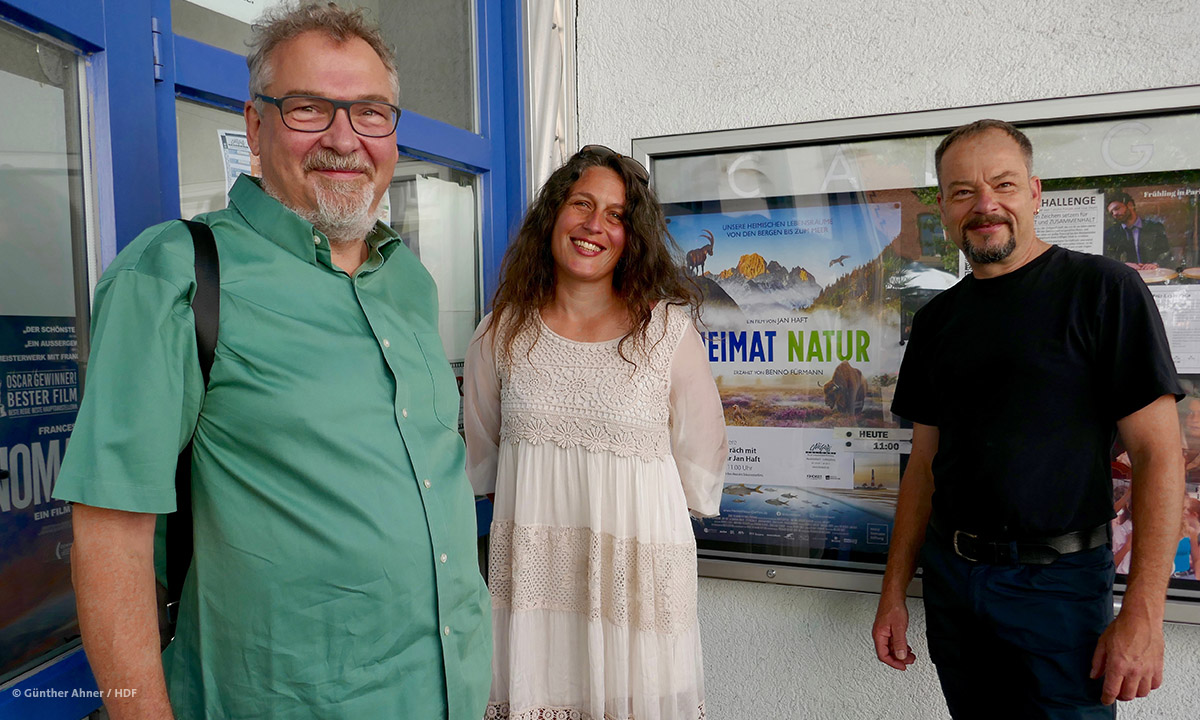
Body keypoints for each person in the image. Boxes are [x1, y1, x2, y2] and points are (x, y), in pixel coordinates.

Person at [53, 3, 490, 718]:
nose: (345, 139)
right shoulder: (176, 276)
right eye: (310, 108)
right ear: (256, 125)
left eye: (371, 113)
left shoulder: (407, 281)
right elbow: (107, 541)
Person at [871, 119, 1184, 718]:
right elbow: (925, 466)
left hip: (1059, 589)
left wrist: (1143, 612)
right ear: (943, 207)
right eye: (963, 191)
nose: (985, 204)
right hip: (953, 580)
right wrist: (894, 592)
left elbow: (1157, 455)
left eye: (1003, 185)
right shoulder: (937, 321)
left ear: (1035, 193)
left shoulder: (1103, 291)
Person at [463, 145, 727, 720]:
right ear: (552, 216)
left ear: (633, 237)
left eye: (616, 215)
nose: (595, 226)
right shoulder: (500, 332)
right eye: (582, 204)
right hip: (537, 607)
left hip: (638, 598)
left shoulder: (668, 334)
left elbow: (701, 467)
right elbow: (481, 461)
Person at [1104, 190, 1172, 269]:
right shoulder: (1111, 234)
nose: (1114, 214)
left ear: (1130, 205)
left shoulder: (1155, 228)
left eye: (1117, 208)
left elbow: (1166, 253)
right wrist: (1123, 264)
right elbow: (1107, 258)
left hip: (1152, 276)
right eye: (1111, 212)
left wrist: (1156, 264)